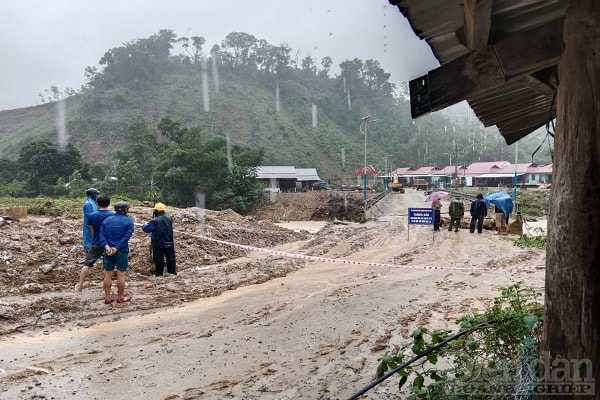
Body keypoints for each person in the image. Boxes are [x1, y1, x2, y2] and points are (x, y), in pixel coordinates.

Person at [75, 195, 114, 292]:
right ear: (109, 203)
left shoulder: (91, 215)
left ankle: (80, 285)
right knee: (107, 266)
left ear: (97, 203)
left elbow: (91, 230)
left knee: (87, 264)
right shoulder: (112, 215)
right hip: (108, 244)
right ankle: (106, 285)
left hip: (96, 242)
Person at [99, 201, 134, 304]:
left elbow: (101, 235)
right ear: (126, 210)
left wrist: (107, 246)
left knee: (108, 274)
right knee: (121, 274)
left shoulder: (106, 221)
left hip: (108, 250)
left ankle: (107, 297)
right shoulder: (129, 221)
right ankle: (120, 297)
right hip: (121, 250)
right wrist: (117, 248)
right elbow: (126, 237)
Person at [142, 202, 177, 277]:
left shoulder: (155, 220)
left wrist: (144, 225)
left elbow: (147, 229)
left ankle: (159, 274)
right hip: (169, 242)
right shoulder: (169, 219)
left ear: (156, 211)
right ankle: (172, 273)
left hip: (158, 243)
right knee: (170, 259)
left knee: (159, 260)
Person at [82, 188, 100, 255]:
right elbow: (90, 216)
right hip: (90, 225)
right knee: (89, 239)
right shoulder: (88, 204)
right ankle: (88, 256)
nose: (97, 196)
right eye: (96, 195)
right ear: (93, 195)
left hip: (95, 224)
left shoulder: (94, 202)